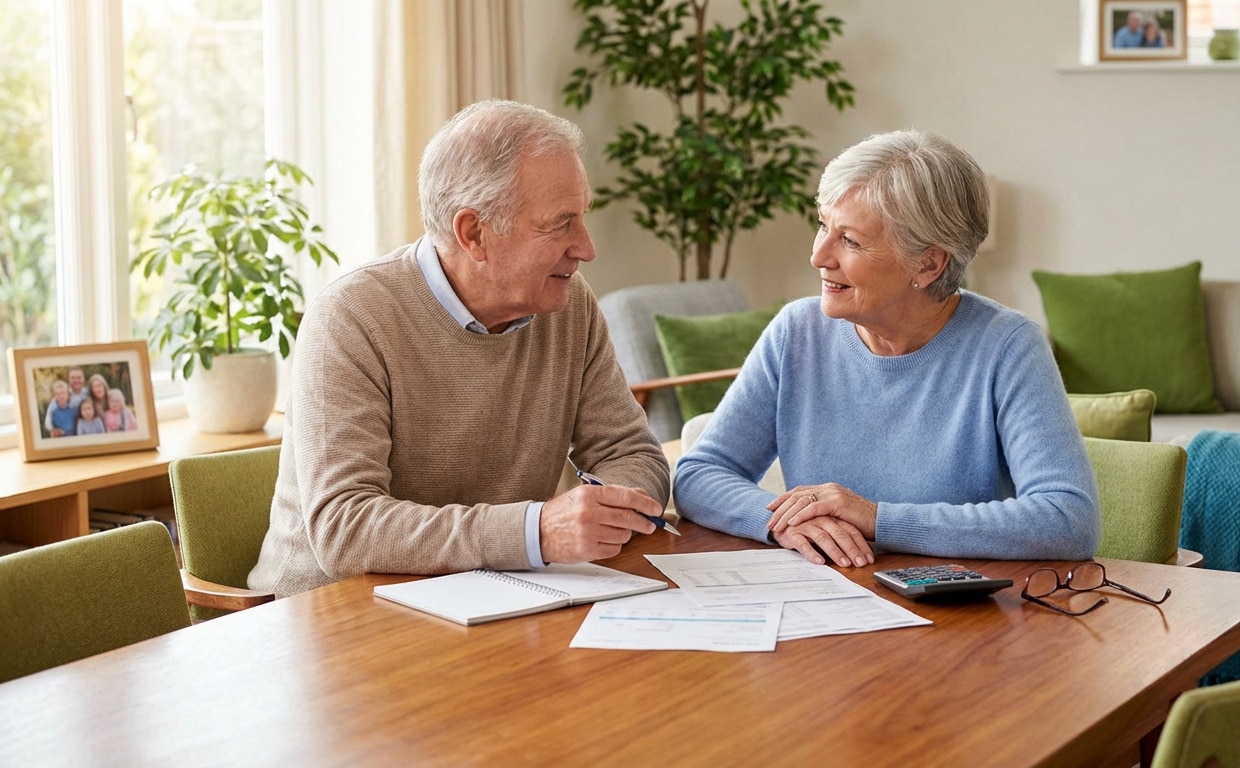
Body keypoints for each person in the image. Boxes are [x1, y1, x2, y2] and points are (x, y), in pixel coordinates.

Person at [248, 100, 669, 597]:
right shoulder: (351, 317)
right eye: (560, 223)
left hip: (499, 596)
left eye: (582, 217)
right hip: (330, 616)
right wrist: (535, 532)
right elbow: (345, 529)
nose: (586, 247)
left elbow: (631, 451)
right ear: (474, 233)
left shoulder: (569, 303)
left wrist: (604, 510)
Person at [673, 130, 1100, 568]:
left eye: (850, 240)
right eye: (823, 225)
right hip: (831, 600)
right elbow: (698, 475)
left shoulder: (1007, 346)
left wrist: (879, 519)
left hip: (962, 619)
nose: (819, 256)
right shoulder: (796, 332)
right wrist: (781, 521)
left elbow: (1068, 519)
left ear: (929, 263)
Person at [44, 367, 88, 435]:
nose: (76, 380)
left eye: (79, 377)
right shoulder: (62, 392)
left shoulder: (87, 393)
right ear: (69, 380)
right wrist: (52, 430)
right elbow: (49, 415)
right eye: (73, 378)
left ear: (83, 378)